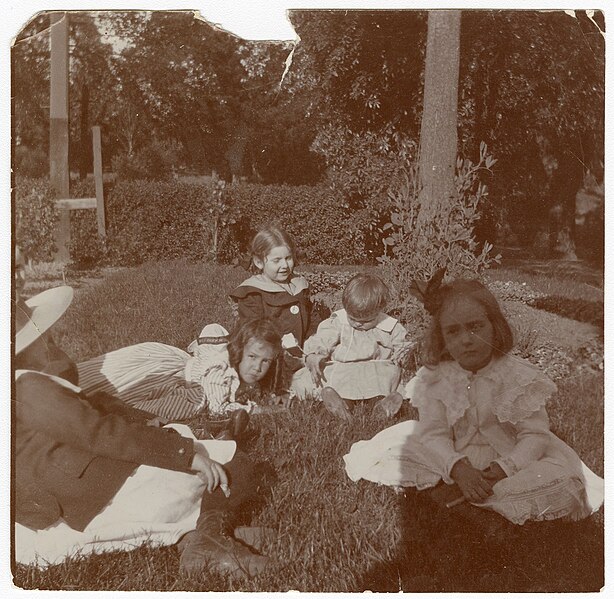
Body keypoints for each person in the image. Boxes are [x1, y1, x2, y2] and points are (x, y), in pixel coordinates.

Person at [13, 285, 272, 577]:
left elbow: (88, 410)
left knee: (194, 445)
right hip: (92, 493)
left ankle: (205, 535)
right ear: (24, 349)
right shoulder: (29, 387)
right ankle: (209, 538)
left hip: (74, 492)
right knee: (238, 464)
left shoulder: (23, 387)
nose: (51, 341)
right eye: (43, 337)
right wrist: (184, 455)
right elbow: (101, 432)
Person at [343, 278, 604, 526]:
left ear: (494, 325)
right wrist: (457, 467)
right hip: (455, 452)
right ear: (442, 337)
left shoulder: (518, 376)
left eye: (475, 326)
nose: (466, 340)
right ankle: (467, 497)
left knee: (558, 478)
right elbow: (435, 433)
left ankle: (475, 505)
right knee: (401, 450)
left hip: (510, 456)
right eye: (453, 331)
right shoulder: (437, 377)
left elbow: (535, 436)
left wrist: (505, 468)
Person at [76, 319, 282, 431]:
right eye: (252, 357)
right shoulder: (220, 372)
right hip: (176, 376)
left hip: (181, 367)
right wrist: (255, 409)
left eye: (266, 361)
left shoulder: (245, 373)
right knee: (125, 392)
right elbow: (218, 409)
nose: (258, 367)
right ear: (239, 351)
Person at [291, 273, 411, 421]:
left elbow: (402, 344)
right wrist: (316, 353)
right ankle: (340, 406)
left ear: (379, 310)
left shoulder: (388, 326)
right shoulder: (338, 322)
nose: (359, 324)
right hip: (345, 369)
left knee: (382, 383)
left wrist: (403, 355)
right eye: (353, 319)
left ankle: (381, 406)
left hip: (376, 370)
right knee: (340, 385)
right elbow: (322, 338)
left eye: (367, 321)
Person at [229, 226, 312, 398]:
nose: (284, 265)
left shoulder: (299, 285)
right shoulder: (253, 292)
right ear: (259, 262)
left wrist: (316, 344)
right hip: (269, 356)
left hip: (301, 353)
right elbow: (254, 333)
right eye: (276, 260)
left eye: (288, 258)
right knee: (292, 384)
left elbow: (311, 320)